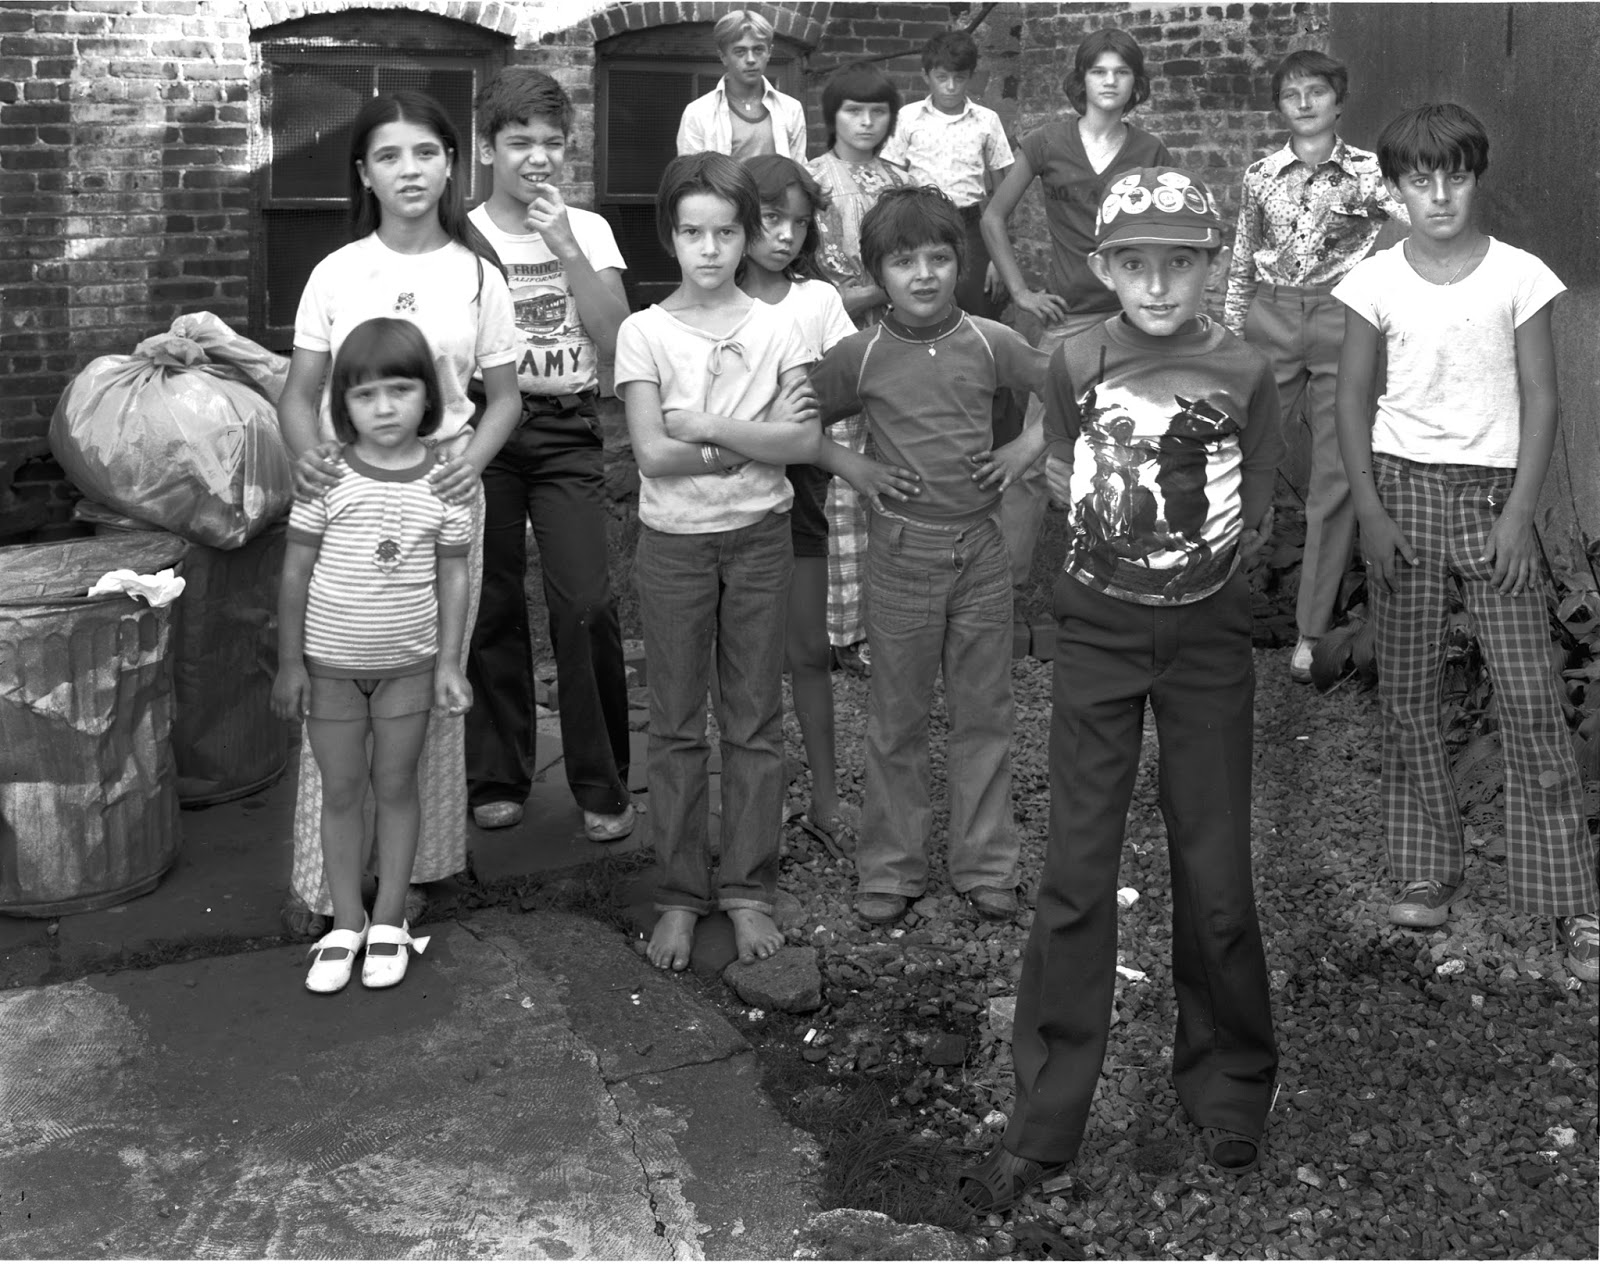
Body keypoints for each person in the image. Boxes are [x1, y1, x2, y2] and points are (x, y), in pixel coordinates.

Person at [957, 168, 1285, 1211]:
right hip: (1097, 633)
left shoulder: (1245, 369)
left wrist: (1197, 583)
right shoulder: (1077, 359)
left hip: (1207, 642)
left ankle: (1228, 1080)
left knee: (1218, 870)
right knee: (1076, 872)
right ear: (1102, 267)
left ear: (1208, 266)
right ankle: (1049, 1111)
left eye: (1178, 261)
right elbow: (1062, 467)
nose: (1156, 282)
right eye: (1134, 262)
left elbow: (1261, 506)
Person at [1331, 104, 1597, 981]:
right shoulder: (1374, 281)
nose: (1438, 195)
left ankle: (1564, 899)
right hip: (1402, 494)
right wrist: (1369, 509)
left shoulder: (1519, 275)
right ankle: (1426, 864)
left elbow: (1544, 399)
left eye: (1455, 176)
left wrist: (1520, 514)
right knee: (1408, 691)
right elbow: (1352, 402)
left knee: (1528, 697)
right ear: (1397, 188)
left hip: (1494, 500)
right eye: (1418, 179)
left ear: (1477, 177)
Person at [278, 90, 520, 932]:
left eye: (425, 152)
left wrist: (469, 467)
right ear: (365, 174)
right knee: (336, 681)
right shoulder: (337, 273)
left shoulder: (477, 274)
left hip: (445, 494)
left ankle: (414, 876)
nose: (409, 169)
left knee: (432, 678)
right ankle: (325, 883)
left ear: (453, 163)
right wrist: (311, 459)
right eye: (389, 156)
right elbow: (300, 394)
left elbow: (503, 398)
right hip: (348, 497)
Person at [810, 185, 1051, 926]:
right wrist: (850, 466)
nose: (923, 274)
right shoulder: (861, 354)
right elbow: (798, 417)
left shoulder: (990, 340)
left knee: (985, 714)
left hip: (980, 550)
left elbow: (1065, 392)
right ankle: (890, 865)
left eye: (939, 257)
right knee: (896, 720)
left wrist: (1024, 446)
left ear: (960, 263)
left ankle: (986, 863)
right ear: (875, 272)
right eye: (903, 260)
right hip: (901, 554)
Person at [613, 152, 821, 972]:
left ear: (750, 236)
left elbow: (802, 442)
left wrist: (706, 425)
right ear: (670, 235)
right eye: (693, 232)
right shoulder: (644, 331)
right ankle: (678, 891)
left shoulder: (780, 326)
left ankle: (747, 888)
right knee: (673, 723)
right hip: (673, 547)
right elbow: (652, 456)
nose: (710, 249)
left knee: (752, 719)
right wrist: (741, 440)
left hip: (760, 538)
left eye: (726, 232)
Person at [274, 319, 475, 992]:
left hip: (409, 670)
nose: (385, 407)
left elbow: (454, 574)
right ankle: (345, 921)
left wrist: (449, 662)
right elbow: (295, 572)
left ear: (430, 396)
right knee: (341, 792)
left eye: (401, 389)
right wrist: (291, 663)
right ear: (342, 405)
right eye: (365, 395)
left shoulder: (446, 483)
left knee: (396, 787)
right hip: (329, 668)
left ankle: (389, 917)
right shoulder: (325, 478)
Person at [464, 67, 635, 840]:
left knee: (585, 602)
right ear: (486, 147)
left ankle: (601, 779)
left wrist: (563, 243)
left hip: (568, 431)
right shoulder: (461, 234)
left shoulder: (589, 229)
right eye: (519, 142)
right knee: (492, 602)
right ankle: (498, 771)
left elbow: (616, 336)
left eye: (552, 143)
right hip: (486, 431)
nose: (538, 157)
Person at [1224, 49, 1406, 684]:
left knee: (1335, 469)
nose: (1303, 102)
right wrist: (1228, 337)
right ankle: (1207, 600)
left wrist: (1374, 280)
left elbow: (1415, 232)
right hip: (1269, 317)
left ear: (1339, 100)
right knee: (1234, 448)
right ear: (1279, 105)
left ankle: (1310, 631)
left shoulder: (1370, 173)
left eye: (1317, 91)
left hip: (1340, 320)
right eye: (1290, 93)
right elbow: (1243, 259)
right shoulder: (1259, 175)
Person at [981, 28, 1170, 623]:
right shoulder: (1046, 142)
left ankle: (1119, 580)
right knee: (1033, 457)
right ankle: (1003, 594)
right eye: (1098, 71)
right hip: (1067, 320)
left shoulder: (1151, 151)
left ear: (1135, 84)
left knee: (1130, 450)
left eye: (1120, 71)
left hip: (1130, 321)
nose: (1109, 81)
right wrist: (1021, 292)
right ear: (1081, 80)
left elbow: (1165, 236)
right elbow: (992, 216)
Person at [738, 154, 868, 857]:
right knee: (742, 663)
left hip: (801, 495)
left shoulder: (816, 300)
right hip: (724, 501)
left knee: (809, 650)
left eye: (798, 221)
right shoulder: (712, 297)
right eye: (769, 219)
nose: (785, 235)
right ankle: (747, 804)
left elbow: (845, 387)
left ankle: (825, 795)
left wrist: (797, 406)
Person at [806, 61, 909, 677]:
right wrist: (880, 294)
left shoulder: (903, 181)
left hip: (900, 344)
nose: (867, 122)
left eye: (878, 112)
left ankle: (890, 622)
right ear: (833, 116)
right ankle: (839, 630)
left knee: (896, 475)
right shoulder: (812, 182)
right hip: (832, 342)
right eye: (853, 110)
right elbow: (810, 281)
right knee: (843, 489)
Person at [882, 29, 1013, 322]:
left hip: (971, 227)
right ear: (926, 75)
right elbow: (891, 176)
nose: (951, 86)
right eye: (942, 77)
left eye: (960, 77)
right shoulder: (907, 118)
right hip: (917, 223)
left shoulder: (987, 120)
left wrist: (998, 257)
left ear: (971, 76)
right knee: (923, 305)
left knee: (980, 305)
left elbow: (1001, 190)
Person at [675, 9, 807, 160]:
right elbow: (689, 177)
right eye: (740, 51)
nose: (750, 59)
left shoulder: (791, 109)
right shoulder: (698, 113)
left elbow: (798, 172)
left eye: (758, 49)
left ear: (769, 52)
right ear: (723, 56)